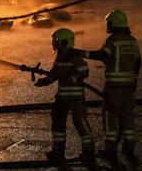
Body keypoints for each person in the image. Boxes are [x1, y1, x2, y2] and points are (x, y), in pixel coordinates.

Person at [76, 9, 142, 163]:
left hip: (113, 88)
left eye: (109, 23)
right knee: (127, 118)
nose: (108, 25)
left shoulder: (112, 41)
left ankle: (110, 149)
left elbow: (101, 55)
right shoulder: (133, 41)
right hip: (129, 87)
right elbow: (138, 61)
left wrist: (79, 53)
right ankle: (129, 148)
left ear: (113, 24)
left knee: (110, 117)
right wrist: (134, 80)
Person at [34, 27, 96, 162]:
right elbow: (54, 74)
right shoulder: (60, 57)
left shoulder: (75, 56)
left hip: (76, 99)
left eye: (56, 41)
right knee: (57, 123)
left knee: (80, 123)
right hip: (61, 97)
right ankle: (58, 151)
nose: (54, 44)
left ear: (63, 42)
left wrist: (71, 78)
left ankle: (89, 151)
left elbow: (84, 71)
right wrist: (44, 82)